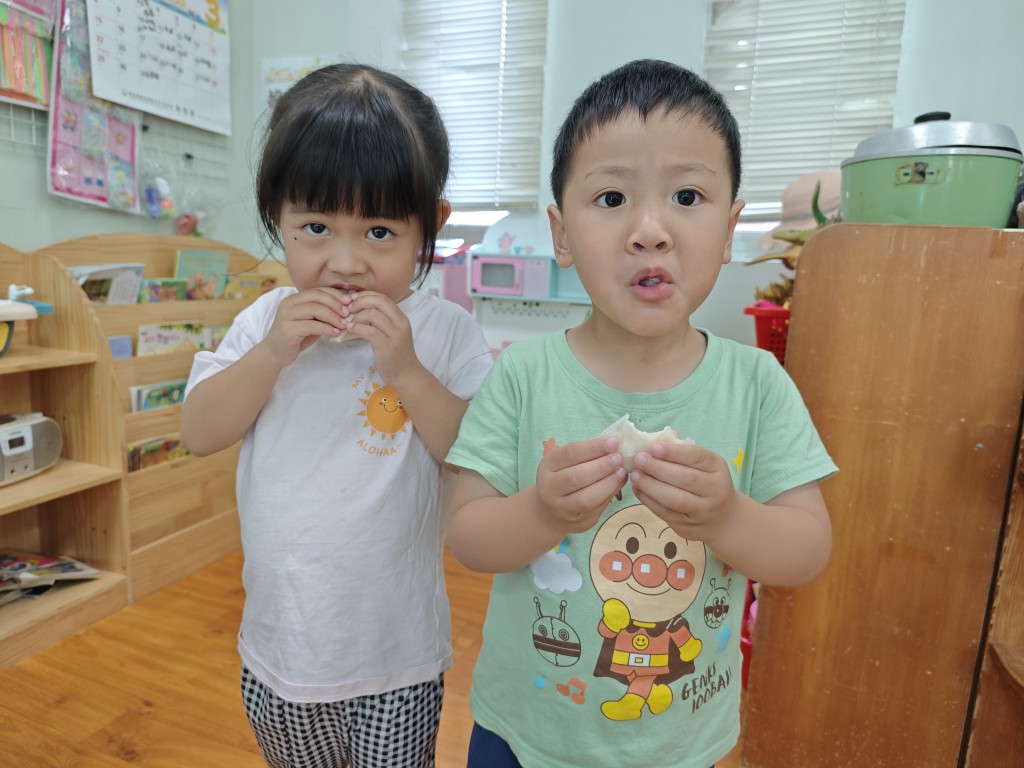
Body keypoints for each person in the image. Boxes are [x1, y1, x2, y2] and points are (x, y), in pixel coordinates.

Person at [445, 59, 837, 768]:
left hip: (679, 745)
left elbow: (807, 550)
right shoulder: (523, 375)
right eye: (612, 197)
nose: (649, 230)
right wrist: (542, 511)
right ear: (562, 235)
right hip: (522, 733)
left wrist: (726, 517)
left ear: (730, 230)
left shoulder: (757, 384)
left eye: (687, 195)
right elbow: (468, 537)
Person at [180, 63, 493, 768]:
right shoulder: (264, 320)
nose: (345, 263)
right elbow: (198, 432)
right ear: (278, 218)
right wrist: (270, 355)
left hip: (397, 657)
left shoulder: (444, 333)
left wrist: (408, 371)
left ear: (430, 226)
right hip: (281, 650)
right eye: (316, 227)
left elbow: (476, 456)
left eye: (379, 231)